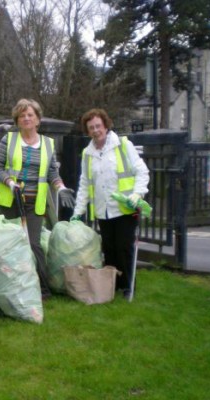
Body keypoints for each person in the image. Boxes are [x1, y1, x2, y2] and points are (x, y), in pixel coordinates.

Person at [0, 98, 75, 300]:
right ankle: (14, 287)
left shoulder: (47, 144)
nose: (26, 118)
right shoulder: (9, 140)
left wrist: (61, 187)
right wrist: (10, 183)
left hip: (34, 202)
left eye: (30, 115)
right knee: (11, 245)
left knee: (33, 244)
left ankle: (42, 289)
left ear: (38, 119)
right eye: (22, 115)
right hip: (11, 201)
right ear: (17, 120)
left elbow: (52, 173)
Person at [71, 108, 150, 299]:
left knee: (124, 248)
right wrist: (78, 211)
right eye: (91, 128)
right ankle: (112, 284)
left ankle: (128, 286)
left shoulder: (123, 145)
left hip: (125, 207)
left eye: (98, 126)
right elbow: (84, 183)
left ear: (106, 126)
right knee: (110, 249)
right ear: (87, 131)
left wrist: (137, 194)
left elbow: (142, 171)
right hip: (103, 210)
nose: (96, 130)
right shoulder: (87, 153)